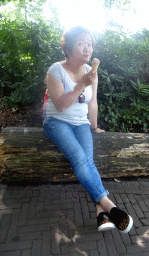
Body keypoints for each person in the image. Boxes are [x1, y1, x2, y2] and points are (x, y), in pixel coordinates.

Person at [43, 26, 133, 233]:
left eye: (90, 44)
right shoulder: (56, 70)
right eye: (81, 43)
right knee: (79, 157)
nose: (87, 48)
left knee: (87, 161)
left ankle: (101, 214)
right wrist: (80, 85)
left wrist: (95, 126)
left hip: (81, 124)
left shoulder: (92, 73)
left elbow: (93, 103)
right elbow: (61, 105)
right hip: (57, 122)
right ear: (68, 48)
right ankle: (111, 206)